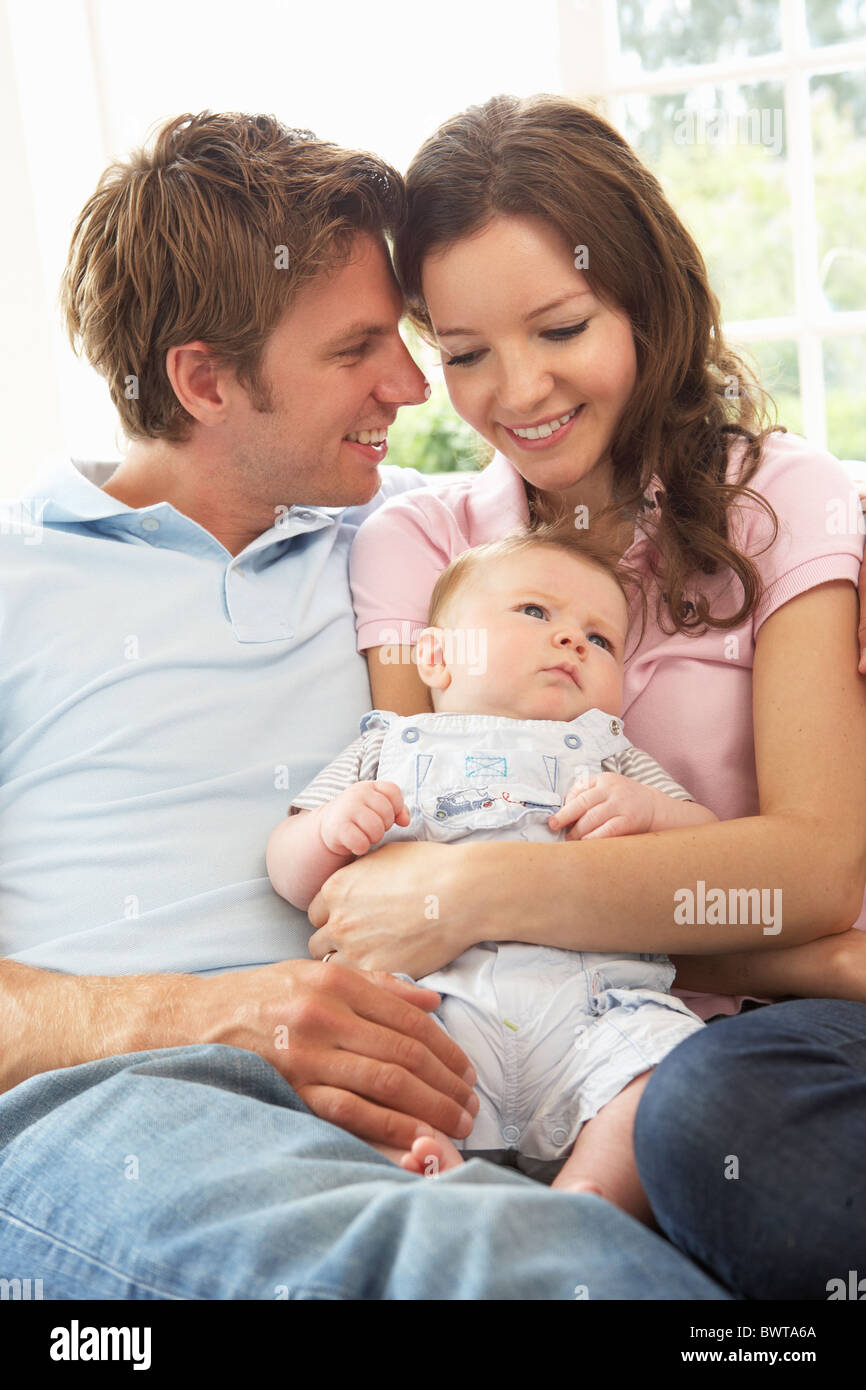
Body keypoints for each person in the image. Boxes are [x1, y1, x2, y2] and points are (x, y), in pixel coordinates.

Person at [0, 108, 733, 1302]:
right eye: (356, 351)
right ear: (203, 378)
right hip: (124, 1108)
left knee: (596, 1255)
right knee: (507, 1265)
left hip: (429, 1085)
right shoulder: (15, 575)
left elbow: (678, 522)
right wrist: (209, 1012)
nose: (413, 381)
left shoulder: (425, 540)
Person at [303, 95, 866, 1295]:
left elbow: (815, 866)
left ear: (643, 301)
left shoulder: (782, 502)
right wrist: (798, 951)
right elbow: (392, 864)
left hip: (722, 1058)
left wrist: (485, 889)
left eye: (559, 326)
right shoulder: (420, 546)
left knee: (713, 1113)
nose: (516, 391)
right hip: (519, 1031)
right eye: (462, 353)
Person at [269, 525, 715, 1223]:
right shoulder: (386, 744)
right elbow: (291, 874)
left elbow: (709, 850)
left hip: (597, 1016)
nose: (572, 640)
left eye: (600, 639)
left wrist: (652, 813)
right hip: (435, 1013)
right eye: (536, 613)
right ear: (437, 658)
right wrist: (328, 830)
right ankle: (424, 1161)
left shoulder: (614, 754)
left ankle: (590, 1194)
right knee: (366, 1069)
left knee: (669, 1069)